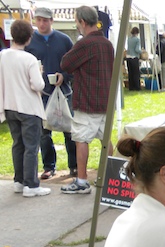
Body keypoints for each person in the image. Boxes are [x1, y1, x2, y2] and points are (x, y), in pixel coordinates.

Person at [60, 5, 114, 194]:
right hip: (106, 99)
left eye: (77, 22)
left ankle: (82, 181)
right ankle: (110, 178)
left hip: (87, 100)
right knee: (105, 140)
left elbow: (65, 64)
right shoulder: (107, 43)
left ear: (82, 22)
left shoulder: (84, 44)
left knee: (81, 139)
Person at [26, 6, 77, 180]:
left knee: (69, 130)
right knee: (44, 132)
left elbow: (74, 64)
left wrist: (64, 76)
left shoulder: (63, 40)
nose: (41, 23)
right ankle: (49, 166)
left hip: (64, 91)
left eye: (45, 20)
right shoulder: (30, 41)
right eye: (39, 20)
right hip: (41, 93)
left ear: (51, 21)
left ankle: (75, 165)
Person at [0, 19, 50, 197]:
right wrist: (41, 73)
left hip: (9, 105)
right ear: (29, 38)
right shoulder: (29, 59)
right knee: (31, 146)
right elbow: (38, 85)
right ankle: (31, 184)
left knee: (18, 144)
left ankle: (19, 181)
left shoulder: (3, 55)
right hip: (28, 107)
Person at [125, 26, 142, 91]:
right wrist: (141, 51)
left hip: (128, 57)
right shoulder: (137, 40)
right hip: (134, 57)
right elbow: (137, 49)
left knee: (130, 73)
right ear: (137, 32)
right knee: (136, 73)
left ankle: (131, 87)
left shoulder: (129, 39)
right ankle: (137, 87)